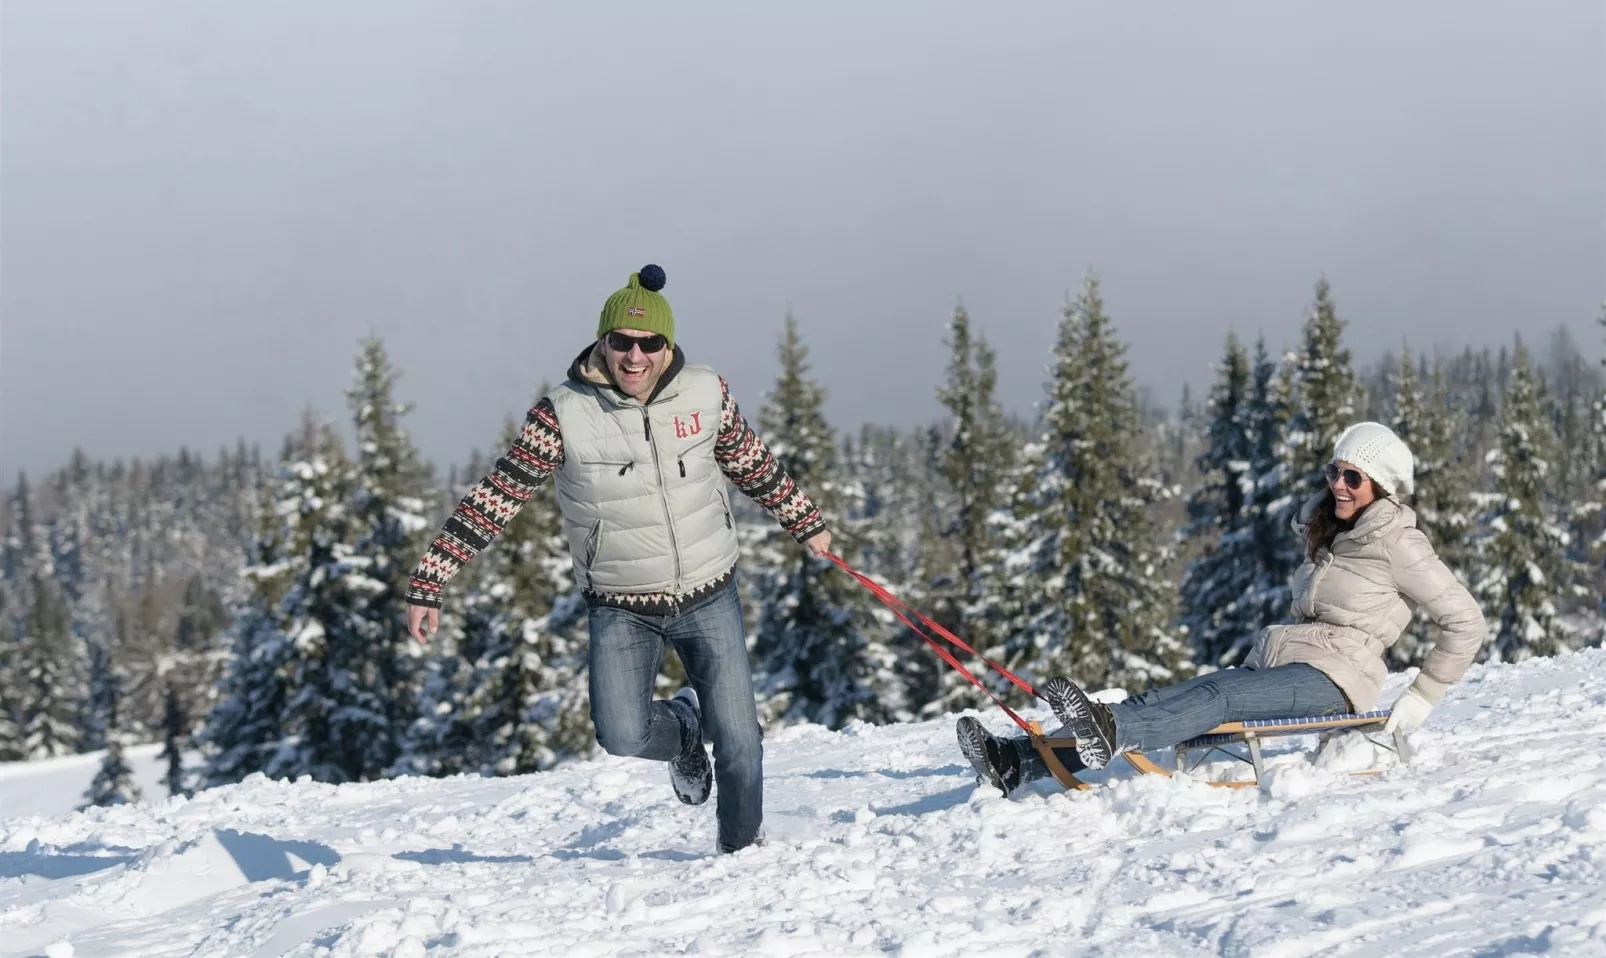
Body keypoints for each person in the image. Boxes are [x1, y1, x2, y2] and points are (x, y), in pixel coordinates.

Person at [404, 264, 833, 853]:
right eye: (622, 342)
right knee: (622, 734)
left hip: (709, 591)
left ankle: (741, 858)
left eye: (649, 343)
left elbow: (751, 462)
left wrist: (804, 521)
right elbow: (497, 496)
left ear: (668, 345)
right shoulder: (563, 415)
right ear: (602, 342)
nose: (635, 356)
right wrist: (432, 579)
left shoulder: (706, 394)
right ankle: (683, 733)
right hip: (620, 605)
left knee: (739, 740)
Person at [957, 421, 1486, 794]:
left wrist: (1424, 695)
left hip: (1338, 680)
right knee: (1174, 695)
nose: (1338, 485)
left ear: (1383, 486)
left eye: (1353, 478)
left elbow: (1465, 621)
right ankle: (1020, 762)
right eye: (1334, 472)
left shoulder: (1399, 542)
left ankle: (1110, 730)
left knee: (1220, 695)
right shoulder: (1339, 535)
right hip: (1291, 663)